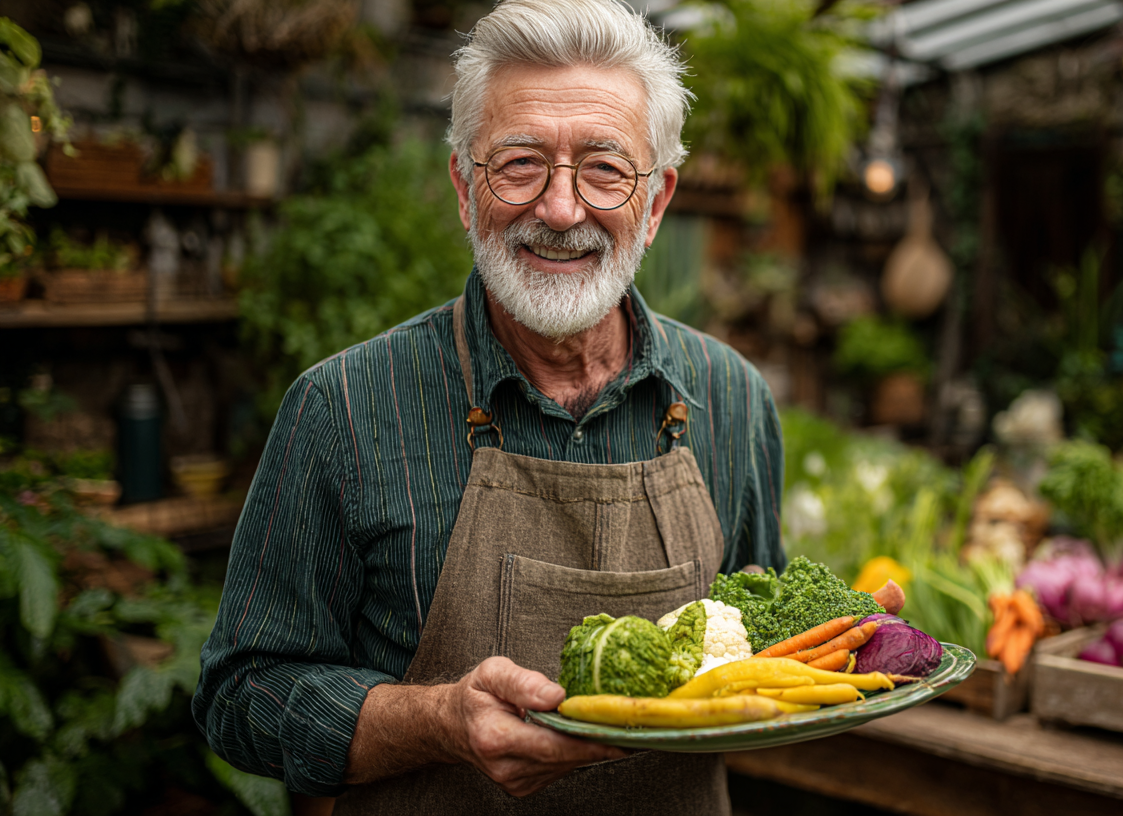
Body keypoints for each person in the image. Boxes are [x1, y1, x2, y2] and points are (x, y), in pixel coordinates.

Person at [192, 1, 785, 813]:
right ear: (466, 190)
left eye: (606, 169)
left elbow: (762, 643)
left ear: (654, 205)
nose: (561, 209)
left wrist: (854, 643)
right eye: (519, 163)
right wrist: (436, 721)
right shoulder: (343, 410)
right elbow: (241, 694)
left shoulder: (733, 399)